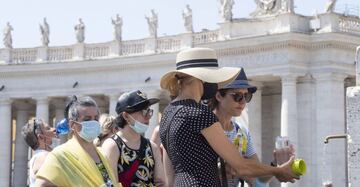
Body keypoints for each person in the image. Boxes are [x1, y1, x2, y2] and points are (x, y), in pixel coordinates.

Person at [159, 47, 299, 186]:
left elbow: (170, 177)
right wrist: (278, 170)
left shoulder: (168, 113)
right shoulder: (200, 114)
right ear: (202, 78)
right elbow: (242, 167)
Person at [208, 68, 295, 186]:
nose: (243, 102)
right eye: (237, 96)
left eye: (247, 96)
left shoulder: (242, 133)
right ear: (219, 96)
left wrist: (276, 164)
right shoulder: (206, 128)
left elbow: (258, 180)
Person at [36, 96, 120, 187]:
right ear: (72, 125)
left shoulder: (102, 154)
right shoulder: (61, 155)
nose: (93, 123)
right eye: (87, 119)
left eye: (96, 119)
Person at [102, 90, 166, 187]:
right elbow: (110, 184)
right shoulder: (112, 146)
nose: (148, 116)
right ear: (126, 116)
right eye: (144, 112)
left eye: (149, 111)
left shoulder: (152, 147)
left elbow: (161, 183)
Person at [21, 119, 57, 187]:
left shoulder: (37, 157)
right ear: (41, 137)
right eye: (48, 128)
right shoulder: (44, 157)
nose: (54, 129)